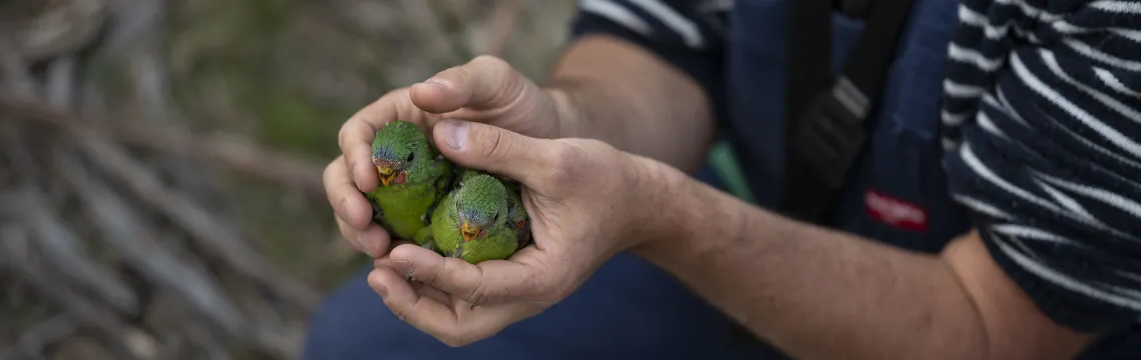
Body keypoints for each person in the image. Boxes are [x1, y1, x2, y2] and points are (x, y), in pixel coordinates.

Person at [308, 0, 1141, 358]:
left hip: (967, 323)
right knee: (371, 345)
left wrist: (664, 216)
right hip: (732, 237)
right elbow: (655, 46)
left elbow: (989, 332)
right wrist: (559, 126)